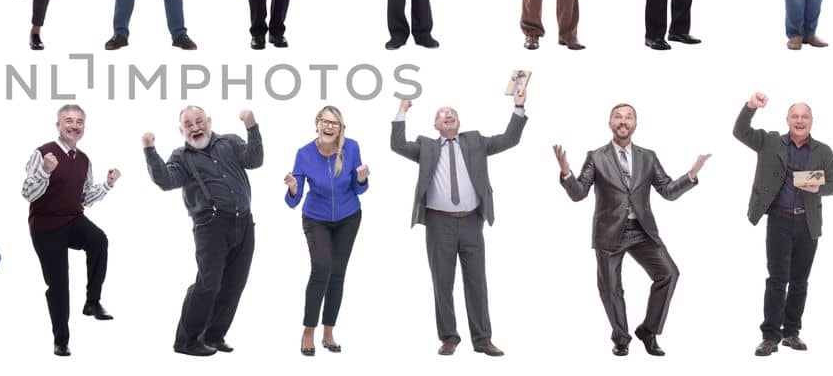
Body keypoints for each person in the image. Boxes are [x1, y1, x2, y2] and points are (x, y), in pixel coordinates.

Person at [553, 104, 709, 356]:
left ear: (635, 124)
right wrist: (566, 172)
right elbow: (578, 193)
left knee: (668, 274)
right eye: (618, 117)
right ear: (610, 123)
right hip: (609, 233)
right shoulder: (596, 156)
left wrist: (691, 175)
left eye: (628, 118)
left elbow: (667, 191)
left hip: (642, 231)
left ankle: (648, 330)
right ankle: (621, 337)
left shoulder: (648, 156)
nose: (623, 121)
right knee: (611, 288)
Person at [391, 90, 526, 356]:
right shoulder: (427, 146)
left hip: (472, 222)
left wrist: (518, 106)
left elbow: (510, 139)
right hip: (439, 223)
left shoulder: (475, 141)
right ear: (436, 125)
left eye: (452, 112)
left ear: (458, 122)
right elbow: (397, 145)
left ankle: (483, 339)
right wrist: (402, 111)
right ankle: (449, 337)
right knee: (442, 282)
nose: (448, 115)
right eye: (442, 114)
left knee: (477, 281)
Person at [145, 106, 262, 356]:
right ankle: (185, 341)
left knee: (234, 284)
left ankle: (213, 335)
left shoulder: (229, 142)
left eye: (199, 121)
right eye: (188, 124)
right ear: (181, 130)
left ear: (209, 122)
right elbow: (165, 181)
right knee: (208, 284)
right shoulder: (181, 157)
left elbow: (254, 160)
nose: (195, 127)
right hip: (211, 226)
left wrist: (251, 125)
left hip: (244, 222)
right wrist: (150, 151)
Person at [733, 92, 833, 356]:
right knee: (777, 279)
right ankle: (770, 336)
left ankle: (792, 333)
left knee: (800, 281)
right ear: (787, 120)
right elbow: (740, 131)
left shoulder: (823, 151)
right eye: (795, 116)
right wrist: (750, 107)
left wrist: (820, 187)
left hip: (808, 222)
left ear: (812, 121)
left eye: (805, 117)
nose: (800, 120)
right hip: (779, 219)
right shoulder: (770, 142)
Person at [20, 104, 120, 356]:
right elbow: (27, 193)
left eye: (79, 122)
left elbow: (85, 197)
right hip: (46, 225)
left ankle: (92, 302)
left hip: (73, 219)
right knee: (59, 285)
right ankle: (61, 340)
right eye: (68, 120)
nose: (74, 126)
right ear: (58, 125)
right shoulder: (42, 153)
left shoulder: (84, 159)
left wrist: (107, 185)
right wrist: (45, 171)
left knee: (98, 240)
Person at [284, 106, 369, 356]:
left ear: (341, 128)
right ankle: (308, 330)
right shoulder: (304, 154)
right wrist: (291, 187)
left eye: (335, 123)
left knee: (338, 273)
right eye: (325, 121)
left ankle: (328, 331)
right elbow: (293, 199)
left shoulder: (351, 147)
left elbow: (358, 188)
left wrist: (362, 179)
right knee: (322, 268)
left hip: (348, 217)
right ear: (317, 124)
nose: (329, 126)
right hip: (316, 218)